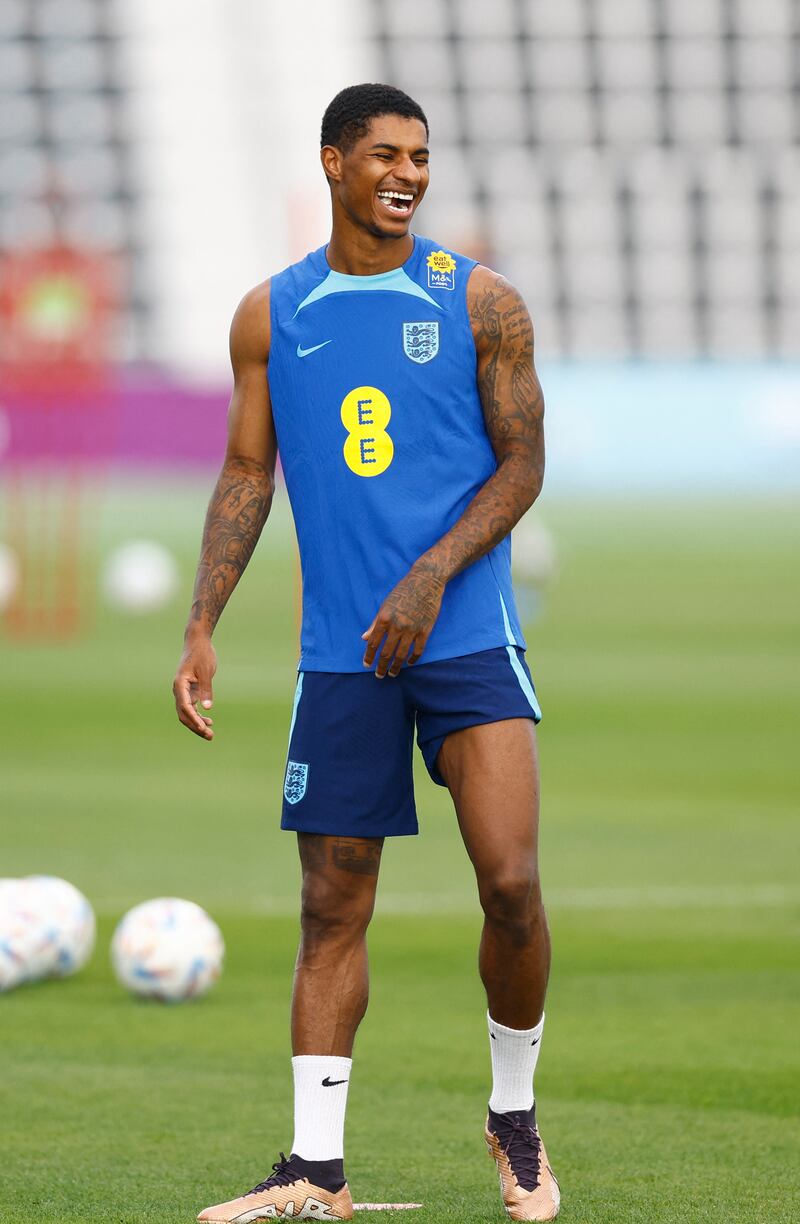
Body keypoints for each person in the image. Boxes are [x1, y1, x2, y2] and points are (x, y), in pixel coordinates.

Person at [173, 83, 558, 1223]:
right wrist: (202, 621)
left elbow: (522, 463)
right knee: (331, 904)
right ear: (333, 163)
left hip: (468, 639)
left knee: (510, 884)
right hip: (339, 659)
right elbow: (249, 475)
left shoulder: (480, 303)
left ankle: (513, 1117)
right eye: (384, 153)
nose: (408, 172)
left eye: (421, 156)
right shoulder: (269, 314)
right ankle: (313, 1172)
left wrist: (433, 574)